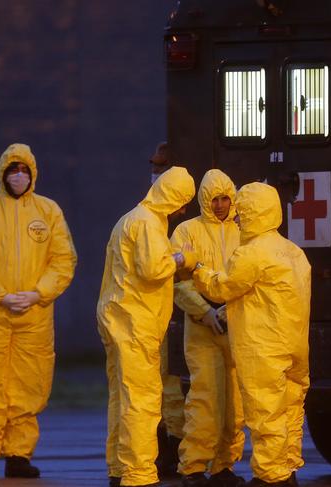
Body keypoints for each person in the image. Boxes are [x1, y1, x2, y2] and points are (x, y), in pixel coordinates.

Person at [0, 143, 77, 479]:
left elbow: (63, 260)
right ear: (2, 173)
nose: (19, 176)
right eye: (13, 170)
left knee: (30, 381)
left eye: (24, 170)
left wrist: (38, 293)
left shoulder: (48, 211)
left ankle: (18, 454)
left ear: (33, 173)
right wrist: (0, 296)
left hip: (35, 314)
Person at [192, 182, 311, 487]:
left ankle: (271, 477)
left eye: (241, 212)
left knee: (265, 412)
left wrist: (197, 269)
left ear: (252, 213)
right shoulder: (294, 252)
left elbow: (223, 287)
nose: (237, 218)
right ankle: (286, 469)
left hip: (262, 347)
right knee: (290, 409)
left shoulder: (251, 253)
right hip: (295, 344)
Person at [97, 166, 197, 487]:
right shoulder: (147, 224)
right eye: (182, 203)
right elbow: (154, 269)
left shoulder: (132, 218)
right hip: (135, 323)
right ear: (173, 198)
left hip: (119, 320)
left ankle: (119, 468)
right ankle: (139, 475)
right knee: (142, 400)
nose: (183, 211)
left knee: (121, 399)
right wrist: (182, 259)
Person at [170, 169, 245, 487]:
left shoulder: (243, 232)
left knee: (235, 404)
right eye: (213, 199)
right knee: (204, 399)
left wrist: (229, 310)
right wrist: (206, 312)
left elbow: (248, 277)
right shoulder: (187, 231)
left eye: (224, 198)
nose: (219, 205)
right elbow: (176, 282)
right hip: (202, 330)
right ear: (204, 199)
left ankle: (224, 466)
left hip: (236, 326)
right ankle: (193, 467)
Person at [149, 142, 186, 477]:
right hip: (154, 310)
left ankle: (174, 451)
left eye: (162, 168)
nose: (155, 173)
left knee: (173, 385)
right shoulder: (149, 218)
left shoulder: (180, 217)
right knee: (157, 385)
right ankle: (163, 451)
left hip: (177, 308)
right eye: (154, 167)